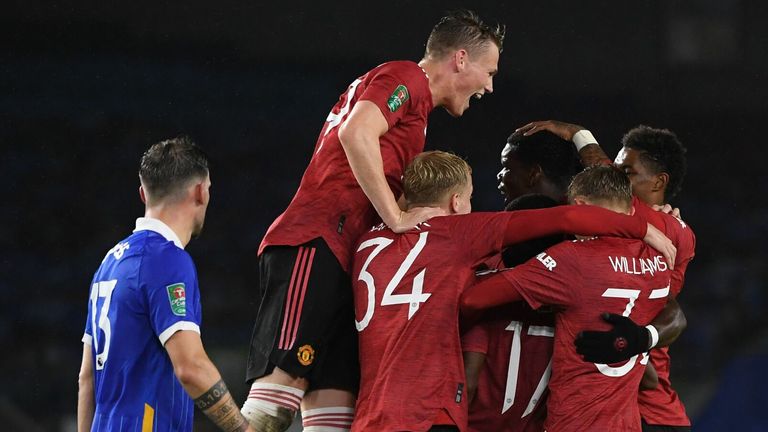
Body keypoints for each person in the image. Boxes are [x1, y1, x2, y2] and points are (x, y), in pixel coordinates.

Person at [241, 10, 506, 431]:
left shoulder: (416, 112)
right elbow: (355, 132)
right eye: (488, 71)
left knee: (333, 415)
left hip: (350, 260)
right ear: (459, 59)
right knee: (273, 404)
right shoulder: (405, 78)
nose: (490, 85)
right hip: (319, 241)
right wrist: (395, 216)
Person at [350, 151, 674, 432]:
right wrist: (645, 229)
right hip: (431, 410)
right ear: (457, 201)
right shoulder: (462, 233)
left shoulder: (366, 242)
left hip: (371, 412)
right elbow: (567, 217)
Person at [462, 165, 675, 432]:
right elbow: (673, 318)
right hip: (627, 424)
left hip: (575, 423)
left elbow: (472, 299)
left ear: (580, 206)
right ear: (631, 212)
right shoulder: (658, 261)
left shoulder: (571, 260)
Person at [518, 120, 695, 431]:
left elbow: (672, 313)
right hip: (626, 406)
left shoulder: (661, 226)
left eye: (626, 173)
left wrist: (578, 134)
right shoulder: (661, 230)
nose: (614, 177)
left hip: (644, 408)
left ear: (658, 182)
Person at [77, 138, 253, 432]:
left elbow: (86, 378)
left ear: (143, 194)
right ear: (200, 191)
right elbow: (190, 368)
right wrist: (244, 429)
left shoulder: (109, 263)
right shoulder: (167, 260)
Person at [462, 130, 581, 432]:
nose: (499, 176)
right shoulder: (592, 257)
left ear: (533, 174)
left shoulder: (482, 261)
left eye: (506, 166)